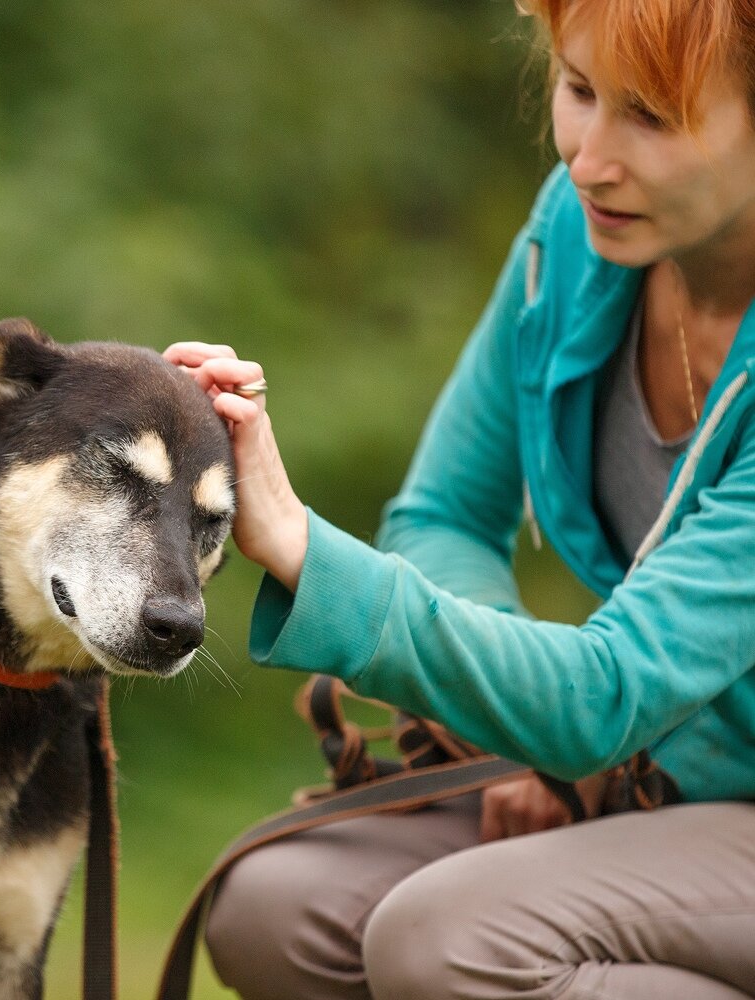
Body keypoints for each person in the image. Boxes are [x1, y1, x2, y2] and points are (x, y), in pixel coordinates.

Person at [164, 0, 755, 997]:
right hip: (643, 779)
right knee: (276, 906)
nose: (588, 158)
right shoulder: (570, 237)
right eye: (577, 91)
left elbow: (607, 693)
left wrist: (302, 545)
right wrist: (521, 731)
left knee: (449, 937)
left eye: (650, 116)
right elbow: (441, 513)